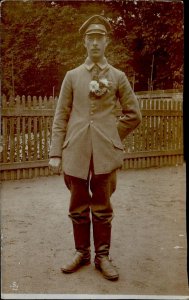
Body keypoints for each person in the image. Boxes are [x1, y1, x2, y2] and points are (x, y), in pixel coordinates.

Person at [49, 14, 142, 281]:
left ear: (107, 42)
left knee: (102, 207)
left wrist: (112, 136)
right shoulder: (72, 76)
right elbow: (61, 116)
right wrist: (56, 152)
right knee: (77, 206)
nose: (95, 43)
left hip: (105, 154)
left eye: (99, 38)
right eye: (90, 38)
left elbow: (133, 114)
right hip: (75, 151)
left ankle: (102, 256)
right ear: (84, 43)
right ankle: (82, 253)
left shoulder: (118, 76)